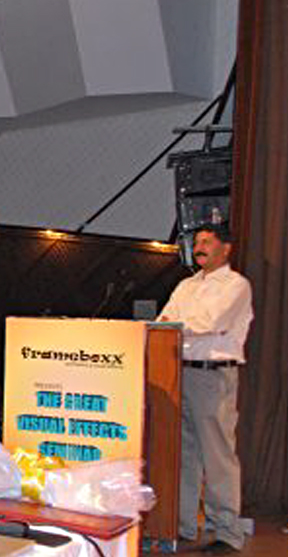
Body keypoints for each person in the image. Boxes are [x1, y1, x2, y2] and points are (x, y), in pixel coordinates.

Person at [157, 225, 253, 554]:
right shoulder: (185, 285)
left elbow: (211, 322)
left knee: (218, 457)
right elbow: (165, 319)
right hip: (178, 372)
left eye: (207, 242)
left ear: (226, 249)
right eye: (196, 242)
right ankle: (183, 526)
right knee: (183, 456)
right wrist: (178, 325)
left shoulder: (236, 285)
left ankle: (227, 532)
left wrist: (180, 324)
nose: (199, 247)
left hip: (213, 378)